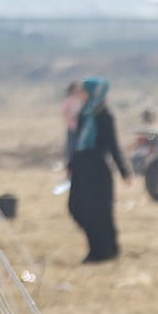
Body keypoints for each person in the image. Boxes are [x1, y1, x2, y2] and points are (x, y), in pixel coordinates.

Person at [65, 76, 126, 263]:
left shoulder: (104, 117)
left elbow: (112, 146)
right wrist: (71, 165)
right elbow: (77, 144)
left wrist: (124, 171)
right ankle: (99, 246)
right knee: (76, 207)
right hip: (81, 169)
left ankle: (103, 251)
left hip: (97, 171)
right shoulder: (84, 115)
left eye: (84, 91)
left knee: (100, 212)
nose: (80, 94)